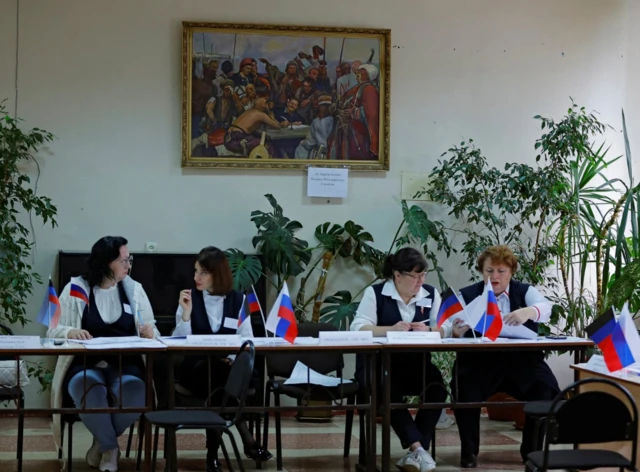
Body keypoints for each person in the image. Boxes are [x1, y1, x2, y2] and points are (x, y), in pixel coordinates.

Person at [48, 236, 160, 472]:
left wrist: (150, 331)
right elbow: (52, 329)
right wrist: (71, 330)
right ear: (106, 263)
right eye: (124, 260)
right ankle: (110, 448)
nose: (129, 265)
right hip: (85, 364)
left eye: (129, 259)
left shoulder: (134, 290)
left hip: (125, 364)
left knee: (137, 392)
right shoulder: (76, 288)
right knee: (85, 386)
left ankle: (101, 441)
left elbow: (154, 329)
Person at [351, 248, 466, 472]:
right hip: (377, 365)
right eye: (415, 276)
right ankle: (418, 449)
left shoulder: (430, 294)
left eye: (423, 275)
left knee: (437, 387)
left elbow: (446, 328)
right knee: (386, 388)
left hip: (414, 363)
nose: (420, 281)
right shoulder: (375, 294)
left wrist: (429, 329)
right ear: (397, 275)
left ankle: (416, 454)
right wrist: (389, 329)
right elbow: (358, 327)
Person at [452, 245, 560, 468]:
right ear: (482, 272)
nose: (495, 277)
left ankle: (532, 451)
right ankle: (469, 452)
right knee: (463, 387)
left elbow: (546, 307)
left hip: (522, 361)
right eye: (489, 271)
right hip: (479, 362)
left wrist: (529, 312)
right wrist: (454, 330)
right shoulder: (468, 294)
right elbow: (447, 325)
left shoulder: (524, 291)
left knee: (544, 388)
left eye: (501, 271)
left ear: (511, 272)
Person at [173, 246, 272, 472]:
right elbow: (178, 341)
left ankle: (213, 455)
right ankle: (246, 439)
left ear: (218, 274)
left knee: (218, 388)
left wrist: (229, 356)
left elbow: (246, 339)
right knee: (217, 377)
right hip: (195, 369)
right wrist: (186, 313)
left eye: (203, 273)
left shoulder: (238, 300)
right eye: (196, 271)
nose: (196, 277)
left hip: (225, 371)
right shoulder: (189, 297)